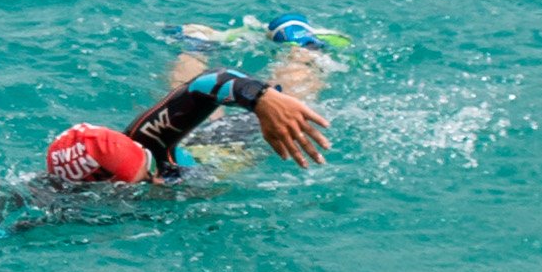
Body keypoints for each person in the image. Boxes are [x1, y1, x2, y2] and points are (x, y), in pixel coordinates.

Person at [36, 22, 333, 196]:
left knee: (291, 101)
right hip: (190, 142)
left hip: (223, 149)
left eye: (150, 164)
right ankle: (195, 43)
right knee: (194, 118)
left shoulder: (148, 140)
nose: (155, 177)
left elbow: (207, 84)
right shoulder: (64, 194)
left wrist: (262, 98)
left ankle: (301, 45)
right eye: (146, 173)